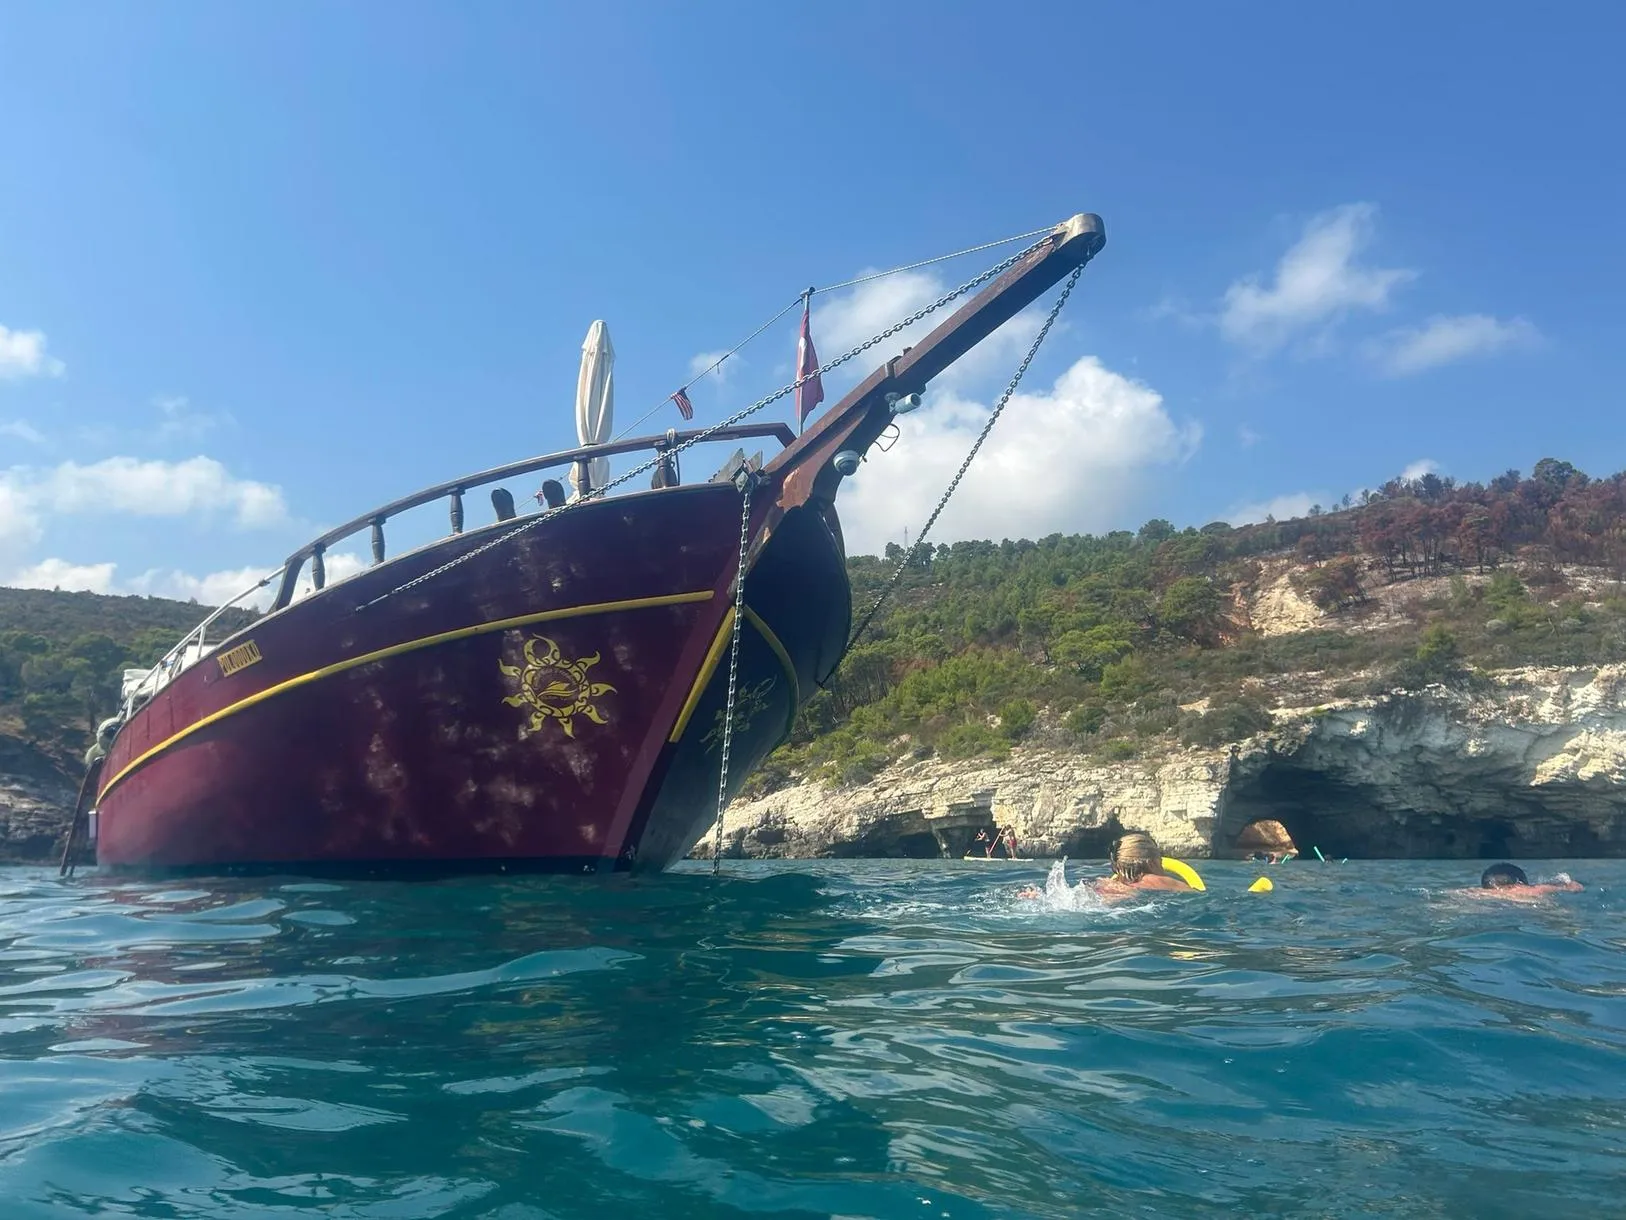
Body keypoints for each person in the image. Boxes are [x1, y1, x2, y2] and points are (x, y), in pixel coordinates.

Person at [1464, 861, 1583, 901]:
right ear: (1519, 883)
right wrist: (1569, 884)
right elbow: (1576, 888)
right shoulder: (1531, 890)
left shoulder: (1476, 893)